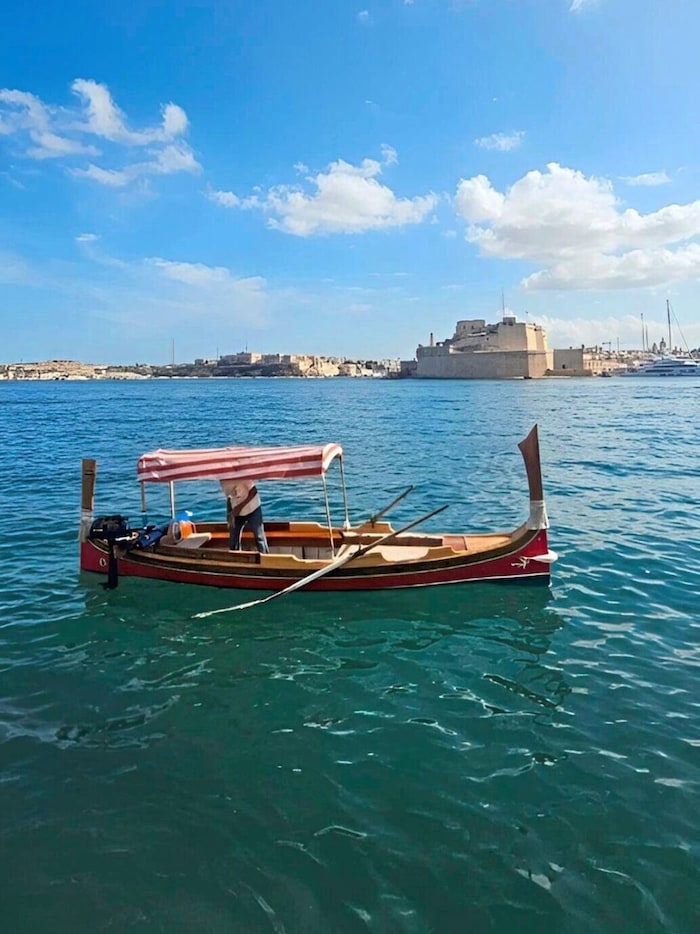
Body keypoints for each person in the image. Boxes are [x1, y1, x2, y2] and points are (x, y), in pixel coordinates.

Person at [221, 479, 269, 553]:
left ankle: (266, 559)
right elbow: (229, 497)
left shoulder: (243, 476)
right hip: (236, 509)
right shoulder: (223, 482)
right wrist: (229, 513)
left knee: (259, 538)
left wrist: (239, 508)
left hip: (253, 508)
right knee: (233, 540)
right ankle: (236, 560)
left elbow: (253, 491)